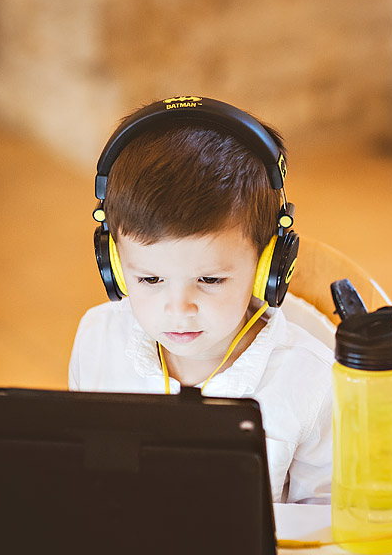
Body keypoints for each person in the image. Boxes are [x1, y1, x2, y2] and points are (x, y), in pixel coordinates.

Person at [69, 96, 333, 504]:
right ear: (115, 267)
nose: (178, 308)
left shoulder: (310, 382)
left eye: (209, 279)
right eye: (150, 278)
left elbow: (325, 526)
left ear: (268, 268)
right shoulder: (97, 338)